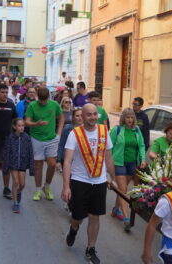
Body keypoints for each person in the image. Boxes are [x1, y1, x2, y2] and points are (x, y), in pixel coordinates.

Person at [61, 103, 116, 264]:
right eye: (89, 115)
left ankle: (90, 248)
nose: (92, 117)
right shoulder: (74, 134)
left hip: (99, 181)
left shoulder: (104, 131)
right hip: (80, 181)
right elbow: (67, 161)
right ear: (82, 117)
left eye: (94, 114)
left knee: (95, 216)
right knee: (78, 217)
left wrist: (113, 178)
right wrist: (66, 186)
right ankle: (74, 228)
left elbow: (109, 157)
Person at [110, 108, 146, 231]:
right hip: (119, 162)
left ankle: (116, 209)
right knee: (124, 189)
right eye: (127, 117)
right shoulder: (117, 130)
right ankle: (127, 220)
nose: (130, 120)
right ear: (123, 118)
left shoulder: (137, 130)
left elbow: (141, 145)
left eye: (132, 117)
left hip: (132, 163)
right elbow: (109, 146)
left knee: (121, 189)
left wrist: (142, 159)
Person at [25, 87, 64, 201]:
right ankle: (38, 190)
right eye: (41, 100)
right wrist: (36, 123)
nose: (43, 102)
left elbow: (61, 118)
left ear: (48, 97)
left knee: (52, 164)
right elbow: (27, 122)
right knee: (38, 165)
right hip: (36, 139)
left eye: (45, 100)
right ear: (37, 96)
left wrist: (59, 134)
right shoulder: (32, 106)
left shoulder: (54, 104)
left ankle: (46, 187)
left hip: (52, 139)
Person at [2, 118, 34, 214]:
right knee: (15, 182)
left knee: (22, 184)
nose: (21, 128)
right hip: (13, 163)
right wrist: (5, 166)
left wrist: (31, 166)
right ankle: (16, 203)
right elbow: (6, 152)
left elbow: (30, 152)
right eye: (19, 126)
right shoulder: (10, 138)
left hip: (23, 164)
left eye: (23, 126)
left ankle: (18, 192)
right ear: (14, 126)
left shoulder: (27, 138)